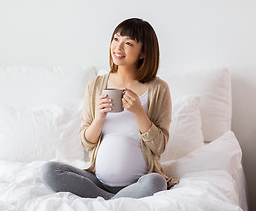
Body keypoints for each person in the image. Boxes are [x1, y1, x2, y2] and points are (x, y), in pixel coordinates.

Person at [41, 18, 179, 199]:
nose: (118, 47)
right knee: (49, 171)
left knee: (157, 182)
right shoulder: (95, 86)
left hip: (139, 183)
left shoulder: (159, 89)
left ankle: (104, 201)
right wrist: (99, 118)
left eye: (128, 43)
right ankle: (112, 201)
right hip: (97, 180)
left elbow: (159, 146)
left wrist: (139, 113)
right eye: (116, 39)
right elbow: (86, 142)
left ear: (143, 53)